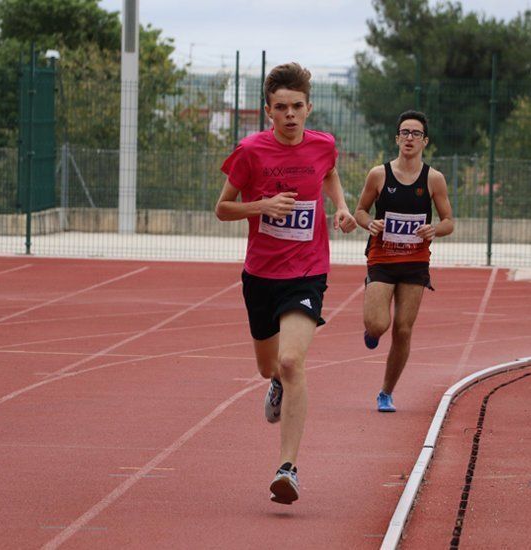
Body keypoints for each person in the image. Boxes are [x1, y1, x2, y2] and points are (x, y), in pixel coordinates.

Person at [215, 62, 357, 504]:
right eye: (282, 107)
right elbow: (222, 208)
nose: (291, 114)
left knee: (293, 361)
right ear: (268, 111)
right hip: (260, 274)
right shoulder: (250, 151)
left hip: (307, 270)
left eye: (297, 106)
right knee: (269, 367)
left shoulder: (323, 145)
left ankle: (287, 468)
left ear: (309, 108)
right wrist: (262, 205)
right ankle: (274, 382)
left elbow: (329, 173)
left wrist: (341, 206)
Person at [354, 110, 454, 413]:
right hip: (382, 259)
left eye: (416, 134)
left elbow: (449, 221)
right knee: (378, 324)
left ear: (425, 141)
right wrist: (369, 223)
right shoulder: (379, 175)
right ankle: (371, 331)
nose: (409, 138)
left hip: (414, 262)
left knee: (404, 330)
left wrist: (434, 229)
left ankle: (386, 392)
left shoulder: (434, 179)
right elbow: (360, 210)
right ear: (397, 138)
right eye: (405, 132)